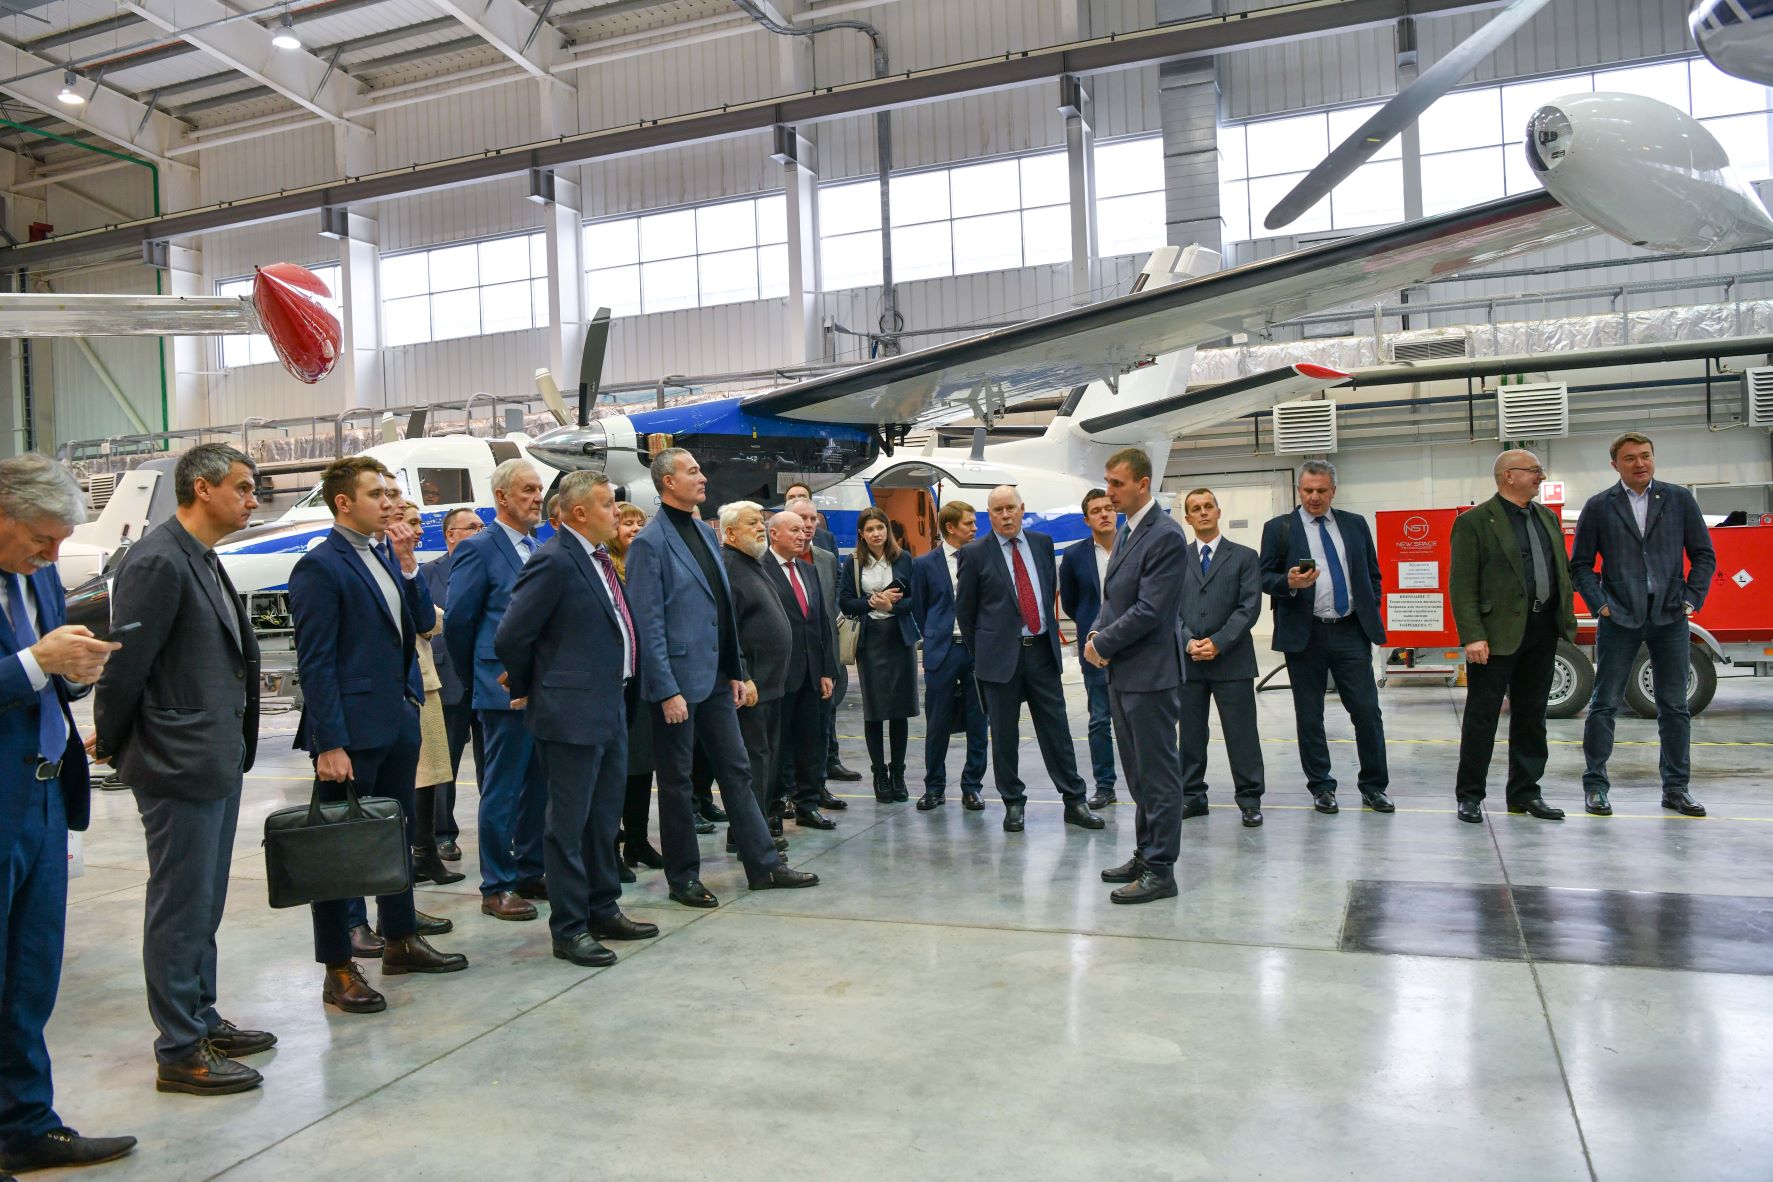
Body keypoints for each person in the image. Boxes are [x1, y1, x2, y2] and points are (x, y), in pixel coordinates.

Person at [92, 444, 272, 1097]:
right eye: (243, 488)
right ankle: (179, 1048)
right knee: (180, 903)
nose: (253, 500)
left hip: (212, 754)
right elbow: (124, 664)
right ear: (202, 488)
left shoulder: (202, 556)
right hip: (176, 759)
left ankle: (200, 1015)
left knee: (204, 899)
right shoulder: (158, 560)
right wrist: (115, 742)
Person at [288, 456, 467, 1014]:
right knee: (338, 853)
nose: (390, 503)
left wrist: (409, 567)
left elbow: (419, 624)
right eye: (378, 494)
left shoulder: (385, 554)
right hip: (351, 733)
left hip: (396, 719)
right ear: (344, 502)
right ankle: (338, 968)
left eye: (392, 493)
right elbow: (316, 662)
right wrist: (329, 742)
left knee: (396, 835)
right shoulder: (320, 567)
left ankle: (400, 939)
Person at [0, 454, 135, 1175]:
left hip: (46, 795)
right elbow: (30, 665)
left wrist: (77, 672)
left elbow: (49, 671)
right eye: (42, 538)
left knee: (31, 973)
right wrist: (35, 662)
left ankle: (26, 1123)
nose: (53, 554)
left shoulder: (40, 574)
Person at [624, 448, 819, 907]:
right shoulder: (650, 543)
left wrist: (735, 670)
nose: (702, 478)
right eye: (692, 471)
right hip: (676, 685)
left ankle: (763, 865)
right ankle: (683, 877)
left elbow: (723, 609)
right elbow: (647, 622)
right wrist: (666, 689)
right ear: (667, 482)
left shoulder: (705, 533)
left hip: (715, 679)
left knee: (737, 771)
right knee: (676, 783)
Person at [495, 472, 657, 967]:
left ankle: (602, 908)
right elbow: (512, 636)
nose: (617, 512)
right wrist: (535, 686)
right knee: (567, 827)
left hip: (611, 706)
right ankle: (568, 928)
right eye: (608, 505)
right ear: (580, 513)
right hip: (570, 713)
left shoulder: (599, 559)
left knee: (603, 820)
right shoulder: (555, 560)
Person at [1570, 431, 1717, 817]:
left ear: (1653, 458)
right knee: (1603, 704)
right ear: (1615, 464)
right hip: (1618, 617)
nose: (1640, 463)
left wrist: (1690, 599)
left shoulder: (1679, 499)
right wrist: (1601, 605)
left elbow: (1704, 555)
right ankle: (1596, 787)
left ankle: (1676, 789)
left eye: (1646, 455)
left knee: (1674, 706)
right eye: (1631, 458)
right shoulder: (1599, 506)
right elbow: (1580, 565)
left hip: (1670, 615)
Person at [956, 485, 1104, 834]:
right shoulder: (974, 554)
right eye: (998, 510)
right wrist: (985, 652)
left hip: (1041, 652)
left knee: (1057, 730)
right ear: (989, 515)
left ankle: (1074, 800)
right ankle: (1013, 803)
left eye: (1011, 508)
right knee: (1004, 735)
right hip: (999, 658)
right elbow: (966, 611)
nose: (1006, 515)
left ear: (1022, 509)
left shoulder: (1041, 543)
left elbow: (1050, 591)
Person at [1257, 460, 1393, 816]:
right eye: (1308, 490)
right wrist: (1288, 582)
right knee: (1310, 716)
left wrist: (1371, 606)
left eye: (1321, 490)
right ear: (1298, 490)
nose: (1314, 497)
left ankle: (1374, 787)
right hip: (1306, 634)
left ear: (1333, 490)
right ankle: (1321, 787)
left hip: (1350, 631)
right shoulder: (1279, 528)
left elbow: (1372, 573)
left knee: (1367, 711)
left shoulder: (1355, 524)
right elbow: (1262, 577)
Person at [446, 459, 550, 921]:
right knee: (502, 789)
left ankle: (529, 869)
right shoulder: (479, 548)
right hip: (502, 688)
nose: (537, 498)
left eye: (539, 490)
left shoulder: (538, 547)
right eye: (527, 490)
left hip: (543, 687)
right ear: (502, 497)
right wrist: (481, 676)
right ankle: (497, 884)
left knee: (538, 786)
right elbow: (459, 622)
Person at [1450, 451, 1578, 824]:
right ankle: (1470, 795)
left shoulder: (1546, 518)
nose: (1541, 477)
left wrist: (1563, 618)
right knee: (1482, 717)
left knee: (1532, 717)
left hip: (1542, 630)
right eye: (1534, 471)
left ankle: (1525, 793)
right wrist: (1473, 635)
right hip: (1494, 636)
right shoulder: (1474, 522)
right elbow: (1462, 583)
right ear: (1508, 476)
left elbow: (1560, 570)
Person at [1083, 450, 1188, 904]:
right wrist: (1095, 632)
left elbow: (1150, 610)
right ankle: (1146, 853)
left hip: (1151, 675)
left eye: (1117, 483)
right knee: (1138, 774)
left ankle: (1161, 870)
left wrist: (1102, 645)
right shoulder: (1128, 530)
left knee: (1158, 776)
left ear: (1143, 484)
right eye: (1108, 482)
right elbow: (1114, 600)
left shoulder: (1165, 534)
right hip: (1125, 674)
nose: (1109, 492)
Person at [1176, 487, 1267, 827]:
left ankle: (1250, 799)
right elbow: (1168, 608)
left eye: (1208, 506)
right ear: (1187, 518)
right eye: (1195, 508)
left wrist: (1217, 642)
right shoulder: (1176, 559)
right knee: (1190, 735)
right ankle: (1192, 796)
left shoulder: (1244, 557)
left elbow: (1249, 607)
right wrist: (1187, 641)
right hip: (1189, 662)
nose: (1203, 512)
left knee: (1241, 735)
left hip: (1233, 661)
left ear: (1218, 511)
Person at [715, 503, 791, 845]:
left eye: (761, 522)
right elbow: (728, 630)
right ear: (730, 533)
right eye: (752, 523)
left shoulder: (752, 563)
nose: (761, 527)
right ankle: (750, 837)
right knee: (753, 762)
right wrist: (744, 674)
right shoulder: (730, 568)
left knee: (764, 759)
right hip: (752, 686)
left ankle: (750, 831)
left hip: (770, 684)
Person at [401, 502, 466, 887]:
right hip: (414, 681)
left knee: (432, 772)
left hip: (430, 680)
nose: (419, 530)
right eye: (412, 522)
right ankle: (424, 847)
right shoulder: (416, 570)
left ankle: (424, 853)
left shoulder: (410, 570)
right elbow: (428, 620)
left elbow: (427, 619)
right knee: (421, 775)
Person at [908, 499, 987, 811]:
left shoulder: (981, 558)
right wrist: (934, 634)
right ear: (950, 527)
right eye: (969, 523)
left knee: (979, 722)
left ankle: (972, 787)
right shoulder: (925, 564)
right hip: (942, 650)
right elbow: (919, 607)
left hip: (976, 651)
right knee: (937, 723)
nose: (975, 528)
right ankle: (934, 787)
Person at [838, 506, 919, 804]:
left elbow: (914, 600)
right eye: (870, 529)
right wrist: (872, 602)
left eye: (880, 528)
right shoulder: (853, 562)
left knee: (900, 709)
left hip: (900, 639)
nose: (876, 534)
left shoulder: (903, 559)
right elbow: (846, 603)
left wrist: (892, 606)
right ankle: (879, 774)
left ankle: (898, 772)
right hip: (871, 640)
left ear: (888, 530)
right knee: (874, 711)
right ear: (862, 533)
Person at [762, 511, 837, 829]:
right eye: (793, 529)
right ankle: (775, 806)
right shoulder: (761, 569)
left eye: (804, 529)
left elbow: (820, 623)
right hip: (778, 675)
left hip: (811, 672)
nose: (803, 534)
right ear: (774, 534)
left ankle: (807, 804)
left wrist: (826, 670)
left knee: (811, 741)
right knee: (777, 745)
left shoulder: (808, 570)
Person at [424, 507, 486, 863]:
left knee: (491, 763)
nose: (480, 530)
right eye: (472, 527)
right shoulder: (429, 573)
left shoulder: (489, 566)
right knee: (444, 763)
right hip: (448, 678)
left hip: (487, 678)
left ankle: (499, 832)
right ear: (451, 534)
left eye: (482, 525)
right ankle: (442, 834)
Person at [789, 496, 858, 786]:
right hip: (791, 655)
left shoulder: (825, 558)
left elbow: (834, 593)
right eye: (801, 519)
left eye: (812, 519)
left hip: (822, 651)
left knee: (823, 720)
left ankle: (819, 783)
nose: (808, 525)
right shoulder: (773, 559)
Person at [1057, 488, 1119, 809]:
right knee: (1099, 719)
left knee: (1140, 720)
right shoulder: (1074, 556)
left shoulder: (1133, 547)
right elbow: (1071, 602)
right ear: (1086, 520)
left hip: (1135, 646)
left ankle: (1149, 784)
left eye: (1108, 508)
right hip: (1094, 648)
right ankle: (1105, 786)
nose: (1104, 514)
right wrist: (1090, 627)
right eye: (1096, 511)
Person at [611, 502, 663, 875]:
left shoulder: (646, 567)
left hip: (646, 679)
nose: (634, 528)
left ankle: (638, 840)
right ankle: (610, 845)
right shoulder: (608, 570)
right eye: (626, 522)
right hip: (618, 681)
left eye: (639, 522)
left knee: (643, 763)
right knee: (616, 768)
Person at [783, 481, 838, 554]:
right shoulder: (774, 538)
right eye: (792, 498)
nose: (797, 502)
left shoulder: (827, 538)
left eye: (802, 498)